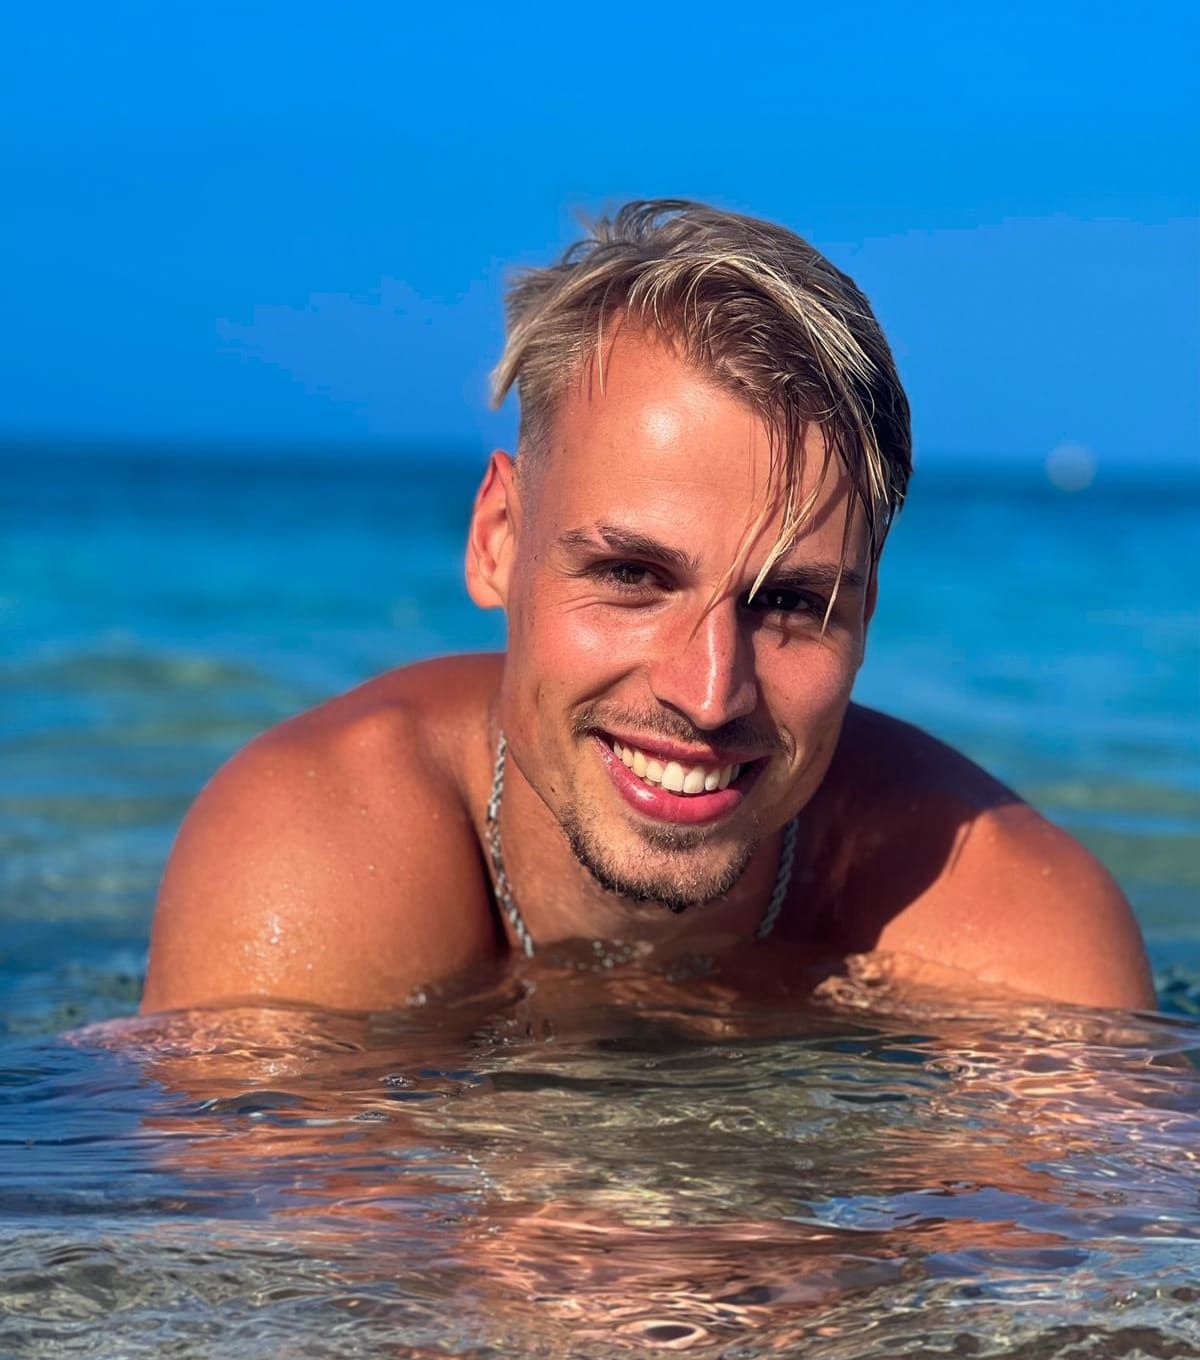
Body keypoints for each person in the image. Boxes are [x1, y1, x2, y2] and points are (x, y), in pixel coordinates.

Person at [140, 200, 1154, 1016]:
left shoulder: (1011, 932)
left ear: (864, 617)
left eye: (789, 601)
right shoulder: (313, 856)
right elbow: (216, 1205)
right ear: (498, 540)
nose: (709, 694)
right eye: (632, 576)